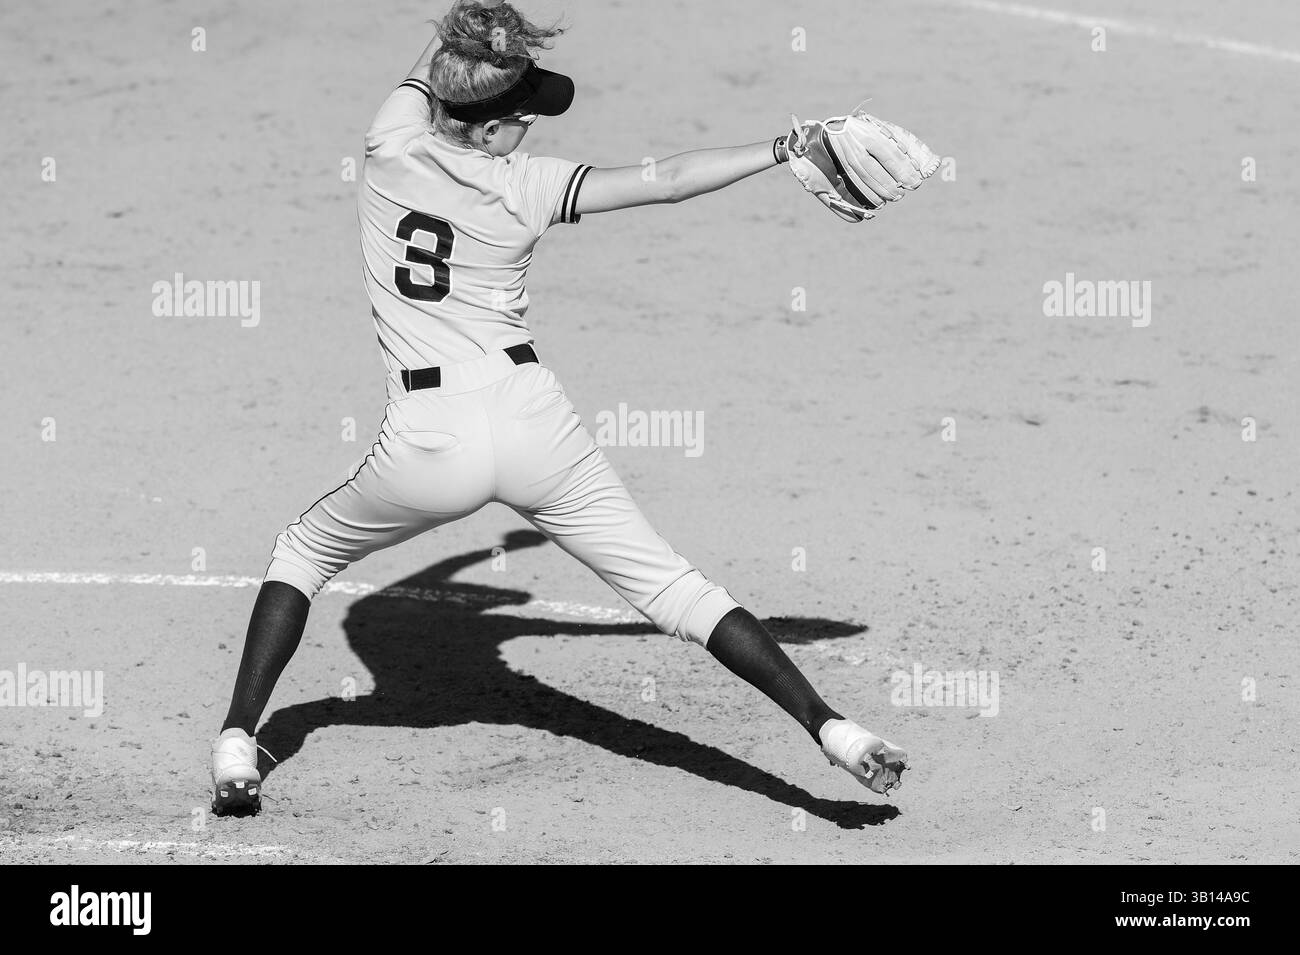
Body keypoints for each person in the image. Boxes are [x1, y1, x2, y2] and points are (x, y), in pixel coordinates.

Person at [211, 0, 909, 816]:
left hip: (428, 444)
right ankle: (834, 730)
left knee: (302, 552)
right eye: (523, 116)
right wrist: (786, 146)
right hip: (534, 422)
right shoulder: (527, 187)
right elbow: (671, 181)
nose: (531, 128)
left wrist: (471, 26)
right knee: (676, 591)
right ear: (492, 130)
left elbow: (437, 56)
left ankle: (235, 739)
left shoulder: (388, 141)